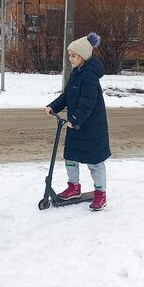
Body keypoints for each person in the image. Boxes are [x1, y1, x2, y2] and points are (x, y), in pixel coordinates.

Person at [45, 32, 111, 211]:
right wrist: (53, 106)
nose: (70, 59)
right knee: (70, 157)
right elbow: (68, 95)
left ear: (83, 56)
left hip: (91, 128)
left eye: (73, 56)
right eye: (69, 55)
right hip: (76, 126)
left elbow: (87, 103)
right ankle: (74, 187)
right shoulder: (76, 73)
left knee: (95, 162)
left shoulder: (89, 76)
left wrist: (74, 119)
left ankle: (100, 194)